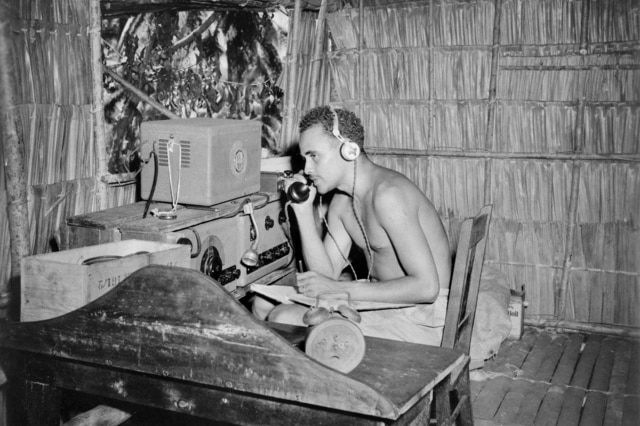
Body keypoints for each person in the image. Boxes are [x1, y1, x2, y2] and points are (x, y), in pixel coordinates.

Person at [268, 105, 452, 346]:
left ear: (349, 150)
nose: (307, 170)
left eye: (314, 156)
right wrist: (302, 213)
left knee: (283, 319)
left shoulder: (388, 196)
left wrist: (344, 289)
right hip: (384, 306)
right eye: (305, 159)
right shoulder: (343, 203)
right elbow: (327, 276)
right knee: (270, 309)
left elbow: (427, 288)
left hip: (423, 318)